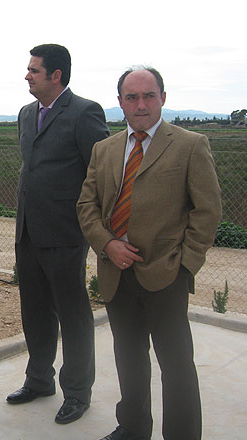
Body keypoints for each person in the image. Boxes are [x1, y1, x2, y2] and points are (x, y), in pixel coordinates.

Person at [77, 67, 221, 440]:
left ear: (163, 98)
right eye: (132, 97)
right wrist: (107, 244)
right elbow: (87, 205)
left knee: (176, 366)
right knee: (129, 358)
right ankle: (133, 427)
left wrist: (185, 265)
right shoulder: (104, 149)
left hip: (166, 274)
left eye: (148, 96)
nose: (140, 105)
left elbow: (207, 212)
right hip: (116, 273)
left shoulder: (190, 145)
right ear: (121, 102)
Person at [7, 43, 108, 425]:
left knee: (73, 315)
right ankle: (39, 380)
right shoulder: (25, 114)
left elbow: (100, 172)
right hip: (28, 231)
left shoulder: (84, 113)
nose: (27, 75)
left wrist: (96, 228)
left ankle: (78, 392)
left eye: (34, 70)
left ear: (56, 76)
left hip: (66, 232)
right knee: (34, 311)